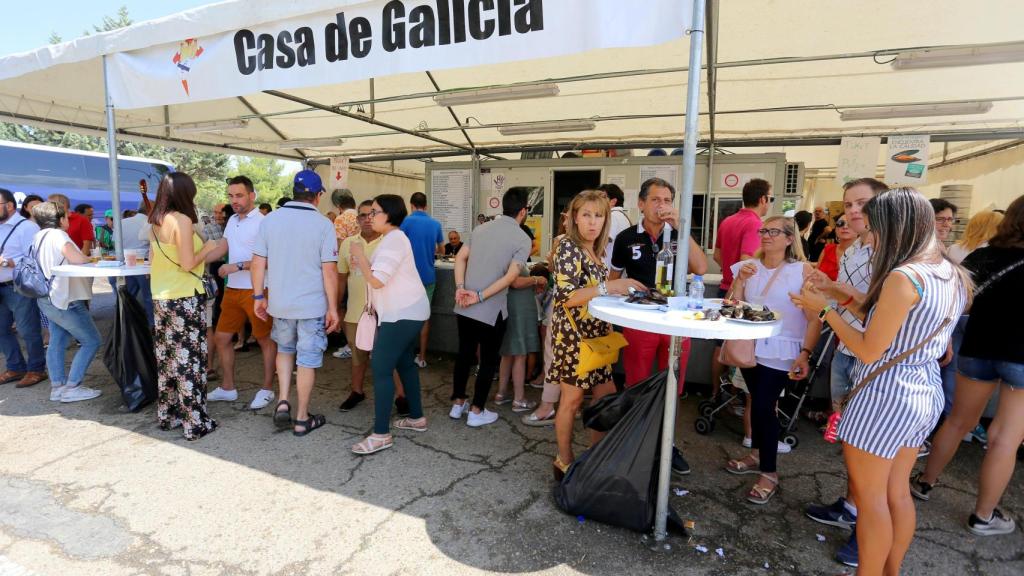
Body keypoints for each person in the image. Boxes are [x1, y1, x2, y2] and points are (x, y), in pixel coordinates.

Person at [792, 187, 969, 576]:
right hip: (923, 389)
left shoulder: (902, 277)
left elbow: (869, 348)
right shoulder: (948, 272)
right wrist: (840, 294)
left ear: (893, 227)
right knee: (896, 494)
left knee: (871, 501)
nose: (869, 236)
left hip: (884, 394)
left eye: (873, 227)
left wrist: (823, 311)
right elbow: (893, 324)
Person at [910, 195, 1024, 537]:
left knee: (959, 420)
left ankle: (925, 481)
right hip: (1020, 357)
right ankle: (983, 515)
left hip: (977, 348)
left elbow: (960, 303)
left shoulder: (982, 256)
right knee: (1005, 438)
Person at [801, 177, 888, 567]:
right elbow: (854, 301)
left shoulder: (892, 255)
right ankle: (852, 507)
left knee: (871, 452)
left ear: (884, 206)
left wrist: (824, 304)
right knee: (851, 440)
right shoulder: (855, 249)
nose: (853, 211)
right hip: (846, 350)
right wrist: (829, 287)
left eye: (862, 203)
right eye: (848, 204)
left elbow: (875, 314)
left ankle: (865, 532)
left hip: (874, 360)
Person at [610, 177, 707, 475]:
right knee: (637, 383)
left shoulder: (679, 234)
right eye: (655, 199)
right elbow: (613, 280)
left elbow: (701, 268)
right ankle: (636, 440)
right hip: (640, 320)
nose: (661, 205)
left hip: (675, 320)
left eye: (667, 200)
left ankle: (667, 444)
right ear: (641, 204)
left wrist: (681, 228)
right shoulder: (626, 238)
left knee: (672, 385)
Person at [724, 216, 819, 504]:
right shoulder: (748, 267)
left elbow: (814, 318)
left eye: (774, 231)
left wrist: (806, 353)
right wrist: (740, 281)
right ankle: (756, 455)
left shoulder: (802, 271)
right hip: (750, 346)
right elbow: (732, 305)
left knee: (765, 407)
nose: (766, 235)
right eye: (764, 230)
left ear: (790, 239)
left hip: (782, 350)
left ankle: (769, 472)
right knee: (756, 401)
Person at [551, 190, 646, 478]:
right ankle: (564, 460)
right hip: (574, 337)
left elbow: (594, 293)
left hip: (597, 336)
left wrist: (618, 295)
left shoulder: (595, 249)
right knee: (572, 400)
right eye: (586, 215)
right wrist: (610, 286)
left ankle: (596, 457)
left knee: (606, 399)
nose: (593, 222)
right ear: (574, 218)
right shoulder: (568, 247)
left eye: (599, 215)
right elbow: (567, 297)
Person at [251, 170, 339, 437]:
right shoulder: (323, 224)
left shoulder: (270, 220)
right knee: (307, 360)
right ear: (318, 195)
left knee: (285, 350)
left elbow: (258, 262)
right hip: (311, 305)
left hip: (280, 303)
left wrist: (258, 296)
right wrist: (333, 308)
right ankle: (302, 418)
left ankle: (282, 401)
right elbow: (329, 271)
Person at [349, 194, 431, 454]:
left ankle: (381, 434)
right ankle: (416, 417)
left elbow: (377, 280)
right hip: (405, 311)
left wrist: (360, 255)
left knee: (381, 367)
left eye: (374, 212)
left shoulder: (394, 240)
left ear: (390, 214)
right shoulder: (392, 239)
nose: (369, 217)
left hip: (401, 314)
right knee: (404, 364)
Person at [148, 173, 228, 440]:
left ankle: (169, 414)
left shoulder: (155, 221)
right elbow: (187, 263)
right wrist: (207, 247)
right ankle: (195, 422)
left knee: (168, 359)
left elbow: (154, 260)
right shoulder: (181, 220)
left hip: (161, 296)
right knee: (190, 360)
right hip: (184, 296)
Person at [450, 188, 532, 427]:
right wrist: (479, 297)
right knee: (487, 360)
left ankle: (458, 403)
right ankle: (476, 410)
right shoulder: (522, 239)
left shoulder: (480, 229)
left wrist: (460, 288)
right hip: (492, 309)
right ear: (523, 211)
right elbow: (511, 278)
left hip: (464, 304)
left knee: (464, 354)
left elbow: (460, 258)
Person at [207, 176, 278, 410]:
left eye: (239, 195)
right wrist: (194, 261)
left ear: (252, 196)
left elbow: (271, 259)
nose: (234, 200)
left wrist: (236, 266)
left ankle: (267, 389)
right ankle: (228, 388)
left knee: (265, 340)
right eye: (231, 196)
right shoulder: (232, 220)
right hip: (233, 290)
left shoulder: (264, 222)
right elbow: (222, 248)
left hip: (258, 290)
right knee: (222, 338)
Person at [30, 201, 103, 402]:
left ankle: (58, 387)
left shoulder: (38, 236)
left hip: (47, 296)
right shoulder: (58, 235)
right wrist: (91, 259)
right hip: (65, 297)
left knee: (58, 340)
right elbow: (77, 259)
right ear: (60, 219)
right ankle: (73, 387)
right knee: (92, 340)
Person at [711, 179, 773, 398]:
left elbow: (717, 255)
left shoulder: (727, 221)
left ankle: (715, 393)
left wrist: (729, 273)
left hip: (724, 290)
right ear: (762, 199)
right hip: (742, 294)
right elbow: (747, 259)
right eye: (770, 198)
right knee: (741, 347)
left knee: (720, 346)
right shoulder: (755, 224)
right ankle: (737, 397)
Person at [493, 224, 546, 413]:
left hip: (510, 307)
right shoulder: (512, 255)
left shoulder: (504, 252)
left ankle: (501, 394)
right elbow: (514, 282)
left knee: (508, 353)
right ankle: (519, 399)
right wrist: (536, 279)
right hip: (517, 309)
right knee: (520, 353)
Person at [336, 200, 382, 412]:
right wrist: (337, 306)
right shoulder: (348, 243)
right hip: (355, 312)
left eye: (371, 214)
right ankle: (357, 391)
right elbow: (341, 278)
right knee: (357, 355)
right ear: (357, 219)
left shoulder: (388, 241)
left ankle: (400, 397)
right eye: (362, 215)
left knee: (389, 357)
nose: (367, 219)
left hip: (384, 312)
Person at [0, 188, 46, 388]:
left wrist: (7, 262)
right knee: (1, 330)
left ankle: (36, 369)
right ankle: (15, 367)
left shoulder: (27, 227)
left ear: (9, 205)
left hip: (18, 286)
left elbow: (34, 259)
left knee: (28, 330)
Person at [400, 192, 443, 368]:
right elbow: (441, 250)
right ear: (426, 206)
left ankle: (405, 355)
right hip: (428, 277)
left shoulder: (405, 222)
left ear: (411, 205)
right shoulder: (435, 224)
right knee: (424, 317)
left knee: (406, 316)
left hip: (407, 278)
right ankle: (422, 357)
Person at [120, 203, 155, 325]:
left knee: (128, 296)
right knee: (148, 297)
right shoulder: (151, 223)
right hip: (144, 264)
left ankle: (126, 323)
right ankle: (152, 325)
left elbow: (115, 242)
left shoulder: (122, 222)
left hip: (126, 264)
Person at [598, 182, 632, 267]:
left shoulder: (613, 216)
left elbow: (603, 242)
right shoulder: (623, 216)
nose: (598, 201)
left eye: (602, 197)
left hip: (609, 268)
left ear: (613, 201)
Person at [816, 213, 856, 281]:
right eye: (840, 223)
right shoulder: (828, 249)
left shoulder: (863, 253)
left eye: (850, 223)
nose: (845, 227)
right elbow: (815, 276)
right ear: (835, 229)